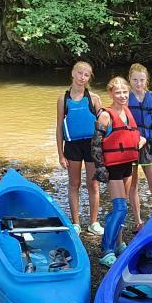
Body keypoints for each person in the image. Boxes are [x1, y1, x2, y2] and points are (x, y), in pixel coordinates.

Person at [91, 76, 146, 266]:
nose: (122, 96)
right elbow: (96, 144)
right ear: (111, 93)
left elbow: (134, 135)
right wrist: (100, 169)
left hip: (127, 165)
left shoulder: (127, 112)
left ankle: (119, 243)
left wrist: (142, 140)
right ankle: (106, 250)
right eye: (118, 92)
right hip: (113, 167)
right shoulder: (105, 115)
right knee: (120, 207)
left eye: (125, 92)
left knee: (121, 209)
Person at [54, 61, 104, 235]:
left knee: (93, 184)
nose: (82, 77)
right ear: (73, 73)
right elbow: (59, 127)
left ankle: (93, 222)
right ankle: (76, 223)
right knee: (74, 184)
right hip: (72, 146)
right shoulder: (63, 99)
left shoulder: (94, 98)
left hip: (92, 144)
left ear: (89, 78)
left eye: (86, 75)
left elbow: (103, 124)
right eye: (80, 73)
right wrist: (61, 154)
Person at [126, 63, 152, 232]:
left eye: (141, 80)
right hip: (131, 147)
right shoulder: (125, 98)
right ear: (130, 80)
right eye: (135, 80)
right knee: (132, 186)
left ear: (146, 80)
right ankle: (138, 221)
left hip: (149, 146)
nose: (138, 83)